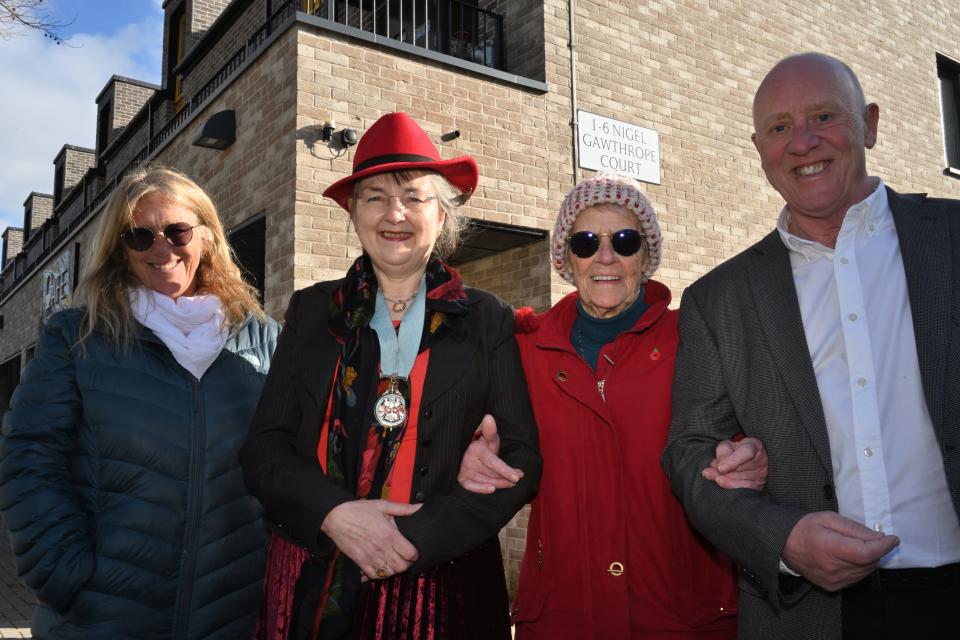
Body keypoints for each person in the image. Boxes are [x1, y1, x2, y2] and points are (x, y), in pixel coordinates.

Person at [661, 52, 960, 640]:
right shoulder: (716, 299)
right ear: (758, 149)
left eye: (824, 116)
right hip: (805, 617)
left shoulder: (951, 241)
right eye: (778, 128)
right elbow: (689, 450)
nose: (802, 142)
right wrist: (782, 540)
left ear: (869, 124)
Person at [239, 112, 541, 640]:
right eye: (374, 196)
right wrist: (334, 514)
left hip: (443, 588)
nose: (394, 212)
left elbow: (521, 456)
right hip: (316, 577)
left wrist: (414, 538)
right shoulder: (312, 312)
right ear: (353, 213)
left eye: (413, 196)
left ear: (441, 216)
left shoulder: (487, 319)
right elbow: (263, 449)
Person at [458, 172, 769, 639]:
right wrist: (473, 450)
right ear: (566, 258)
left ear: (646, 258)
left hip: (681, 617)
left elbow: (747, 432)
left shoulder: (697, 338)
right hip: (564, 618)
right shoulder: (523, 350)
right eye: (586, 242)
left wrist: (752, 457)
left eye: (625, 240)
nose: (606, 256)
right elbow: (476, 430)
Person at [0, 165, 279, 639]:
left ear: (207, 237)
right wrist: (64, 573)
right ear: (120, 250)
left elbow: (285, 457)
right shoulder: (78, 336)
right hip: (103, 615)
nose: (161, 248)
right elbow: (29, 455)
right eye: (140, 236)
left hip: (232, 612)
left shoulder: (264, 338)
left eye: (177, 231)